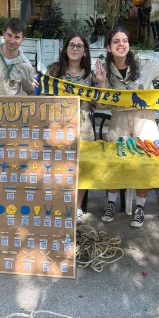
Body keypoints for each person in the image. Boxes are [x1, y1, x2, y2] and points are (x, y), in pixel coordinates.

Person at [95, 26, 159, 227]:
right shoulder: (104, 69)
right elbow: (101, 103)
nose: (121, 44)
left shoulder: (144, 63)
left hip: (144, 119)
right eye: (116, 41)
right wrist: (101, 83)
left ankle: (140, 207)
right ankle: (110, 203)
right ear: (108, 47)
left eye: (124, 40)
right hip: (118, 120)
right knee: (115, 162)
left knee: (145, 163)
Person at [43, 32, 96, 224]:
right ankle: (57, 205)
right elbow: (44, 98)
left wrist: (104, 83)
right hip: (58, 130)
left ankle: (78, 207)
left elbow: (102, 104)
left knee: (80, 171)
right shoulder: (54, 71)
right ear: (65, 49)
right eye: (71, 45)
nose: (75, 49)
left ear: (85, 52)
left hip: (83, 130)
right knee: (57, 170)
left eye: (79, 46)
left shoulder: (91, 76)